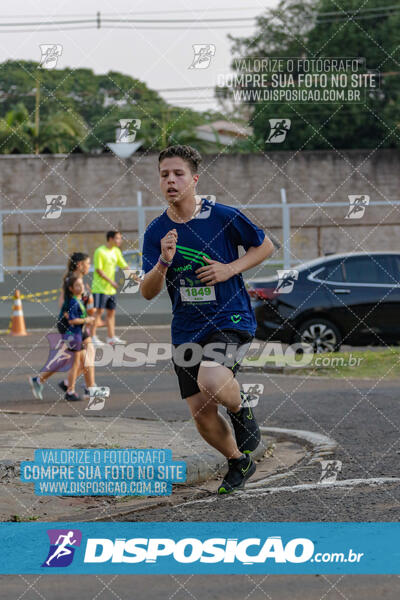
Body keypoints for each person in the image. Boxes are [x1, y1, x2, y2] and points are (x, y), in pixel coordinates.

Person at [140, 145, 274, 494]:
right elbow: (147, 291)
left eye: (178, 173)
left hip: (229, 317)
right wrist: (163, 262)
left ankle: (242, 411)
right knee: (201, 413)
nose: (170, 180)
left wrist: (230, 268)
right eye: (164, 174)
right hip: (186, 328)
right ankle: (238, 460)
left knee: (212, 380)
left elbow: (266, 246)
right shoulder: (156, 232)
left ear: (194, 179)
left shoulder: (223, 216)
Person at [29, 252, 95, 401]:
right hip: (70, 325)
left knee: (82, 357)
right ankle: (86, 388)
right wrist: (74, 314)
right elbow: (62, 303)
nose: (89, 266)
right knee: (80, 358)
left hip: (79, 323)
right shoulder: (71, 280)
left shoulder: (79, 279)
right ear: (80, 265)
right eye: (88, 263)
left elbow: (82, 302)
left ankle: (74, 385)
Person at [91, 231, 128, 346]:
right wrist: (111, 281)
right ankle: (92, 337)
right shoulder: (100, 251)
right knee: (98, 312)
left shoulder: (116, 251)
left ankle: (111, 337)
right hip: (99, 288)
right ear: (110, 239)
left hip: (111, 290)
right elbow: (99, 270)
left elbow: (124, 265)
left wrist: (135, 276)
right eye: (118, 238)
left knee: (111, 312)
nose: (120, 241)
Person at [62, 274, 96, 401]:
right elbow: (72, 320)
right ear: (71, 288)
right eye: (77, 285)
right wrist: (86, 319)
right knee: (75, 364)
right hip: (74, 335)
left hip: (79, 334)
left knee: (82, 363)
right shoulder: (73, 302)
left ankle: (73, 388)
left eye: (81, 284)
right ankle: (70, 391)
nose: (81, 287)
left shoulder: (80, 300)